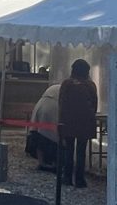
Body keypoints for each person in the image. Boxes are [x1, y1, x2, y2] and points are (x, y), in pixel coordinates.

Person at [58, 60, 98, 188]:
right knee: (81, 151)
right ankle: (80, 179)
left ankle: (67, 177)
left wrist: (61, 120)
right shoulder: (90, 85)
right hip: (85, 122)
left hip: (68, 121)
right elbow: (94, 104)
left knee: (69, 150)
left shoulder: (67, 84)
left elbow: (61, 103)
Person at [28, 83, 61, 172]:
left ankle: (42, 162)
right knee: (53, 138)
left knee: (38, 136)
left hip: (41, 105)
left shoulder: (54, 88)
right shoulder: (63, 89)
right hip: (54, 109)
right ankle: (54, 162)